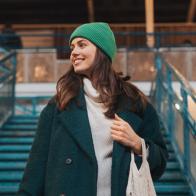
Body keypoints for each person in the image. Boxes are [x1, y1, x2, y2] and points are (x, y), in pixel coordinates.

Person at [17, 22, 168, 196]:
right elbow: (35, 171)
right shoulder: (58, 106)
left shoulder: (135, 102)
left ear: (102, 50)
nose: (74, 52)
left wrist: (138, 144)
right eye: (72, 47)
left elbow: (160, 163)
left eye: (82, 45)